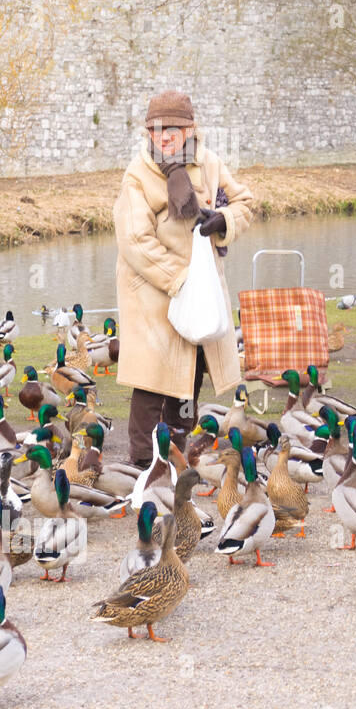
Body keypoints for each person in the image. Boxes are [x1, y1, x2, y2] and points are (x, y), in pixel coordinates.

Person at [113, 90, 256, 468]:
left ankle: (176, 457)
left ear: (189, 129)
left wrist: (223, 221)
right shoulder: (138, 174)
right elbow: (134, 241)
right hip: (153, 292)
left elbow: (245, 204)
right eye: (155, 129)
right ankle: (143, 464)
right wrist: (179, 281)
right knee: (151, 382)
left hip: (199, 291)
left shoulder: (209, 164)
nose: (163, 136)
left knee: (189, 375)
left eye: (171, 129)